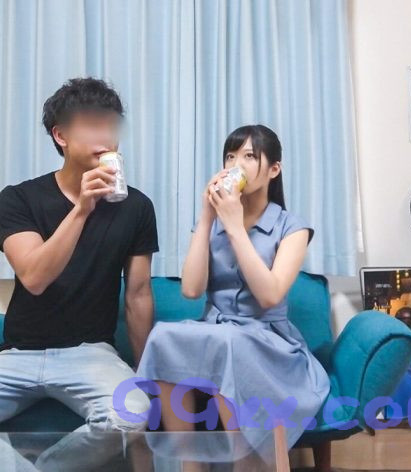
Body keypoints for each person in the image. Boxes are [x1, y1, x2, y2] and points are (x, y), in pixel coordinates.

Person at [137, 124, 331, 452]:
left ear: (273, 169)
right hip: (217, 332)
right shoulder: (211, 224)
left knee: (228, 341)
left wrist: (234, 227)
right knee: (163, 335)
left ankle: (244, 460)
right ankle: (189, 463)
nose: (236, 164)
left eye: (249, 156)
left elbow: (269, 295)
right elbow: (191, 290)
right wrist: (206, 217)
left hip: (268, 341)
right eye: (230, 156)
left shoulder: (292, 228)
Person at [0, 77, 159, 438]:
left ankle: (43, 465)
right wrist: (83, 209)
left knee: (132, 415)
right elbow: (34, 278)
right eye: (92, 125)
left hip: (91, 353)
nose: (106, 136)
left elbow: (137, 295)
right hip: (19, 353)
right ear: (61, 135)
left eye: (111, 126)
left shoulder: (136, 207)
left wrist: (145, 374)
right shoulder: (18, 199)